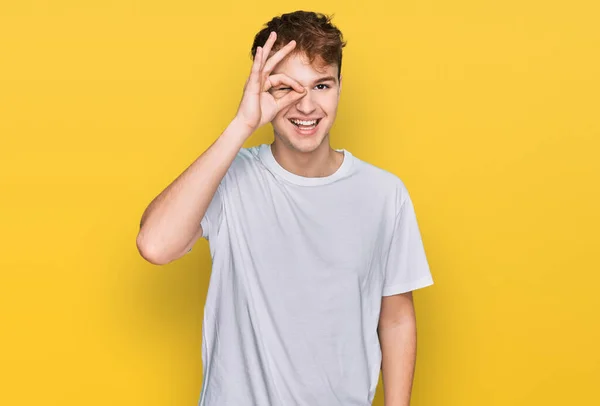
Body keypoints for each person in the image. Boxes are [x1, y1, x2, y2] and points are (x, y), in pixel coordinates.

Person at [137, 10, 434, 406]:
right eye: (286, 88)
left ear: (340, 86)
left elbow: (396, 318)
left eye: (321, 85)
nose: (306, 106)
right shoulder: (229, 178)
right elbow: (155, 245)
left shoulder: (384, 193)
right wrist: (243, 123)